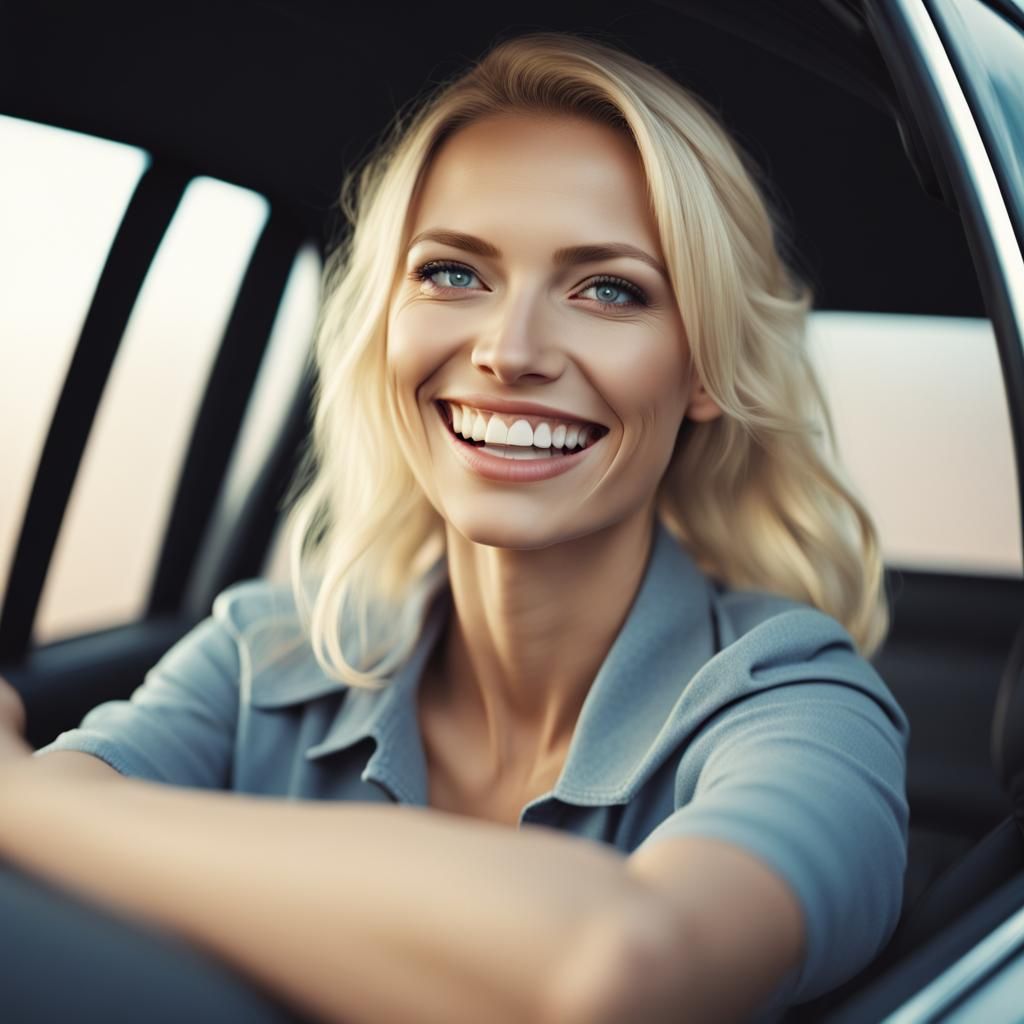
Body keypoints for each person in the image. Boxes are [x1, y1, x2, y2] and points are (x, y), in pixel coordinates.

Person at [0, 31, 908, 1024]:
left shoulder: (804, 704)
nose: (509, 352)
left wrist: (23, 797)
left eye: (608, 289)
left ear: (700, 372)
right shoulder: (267, 652)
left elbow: (621, 969)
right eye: (452, 274)